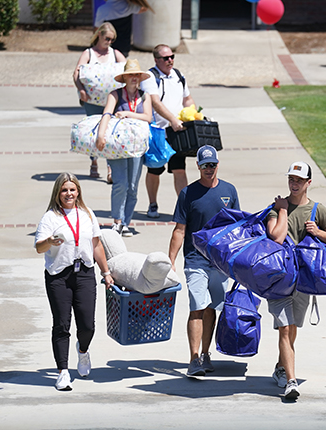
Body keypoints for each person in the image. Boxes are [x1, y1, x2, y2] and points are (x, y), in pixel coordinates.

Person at [265, 161, 326, 400]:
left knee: (292, 327)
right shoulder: (275, 208)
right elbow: (276, 237)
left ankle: (281, 366)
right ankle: (291, 381)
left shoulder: (318, 210)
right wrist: (282, 210)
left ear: (309, 182)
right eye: (291, 179)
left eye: (299, 180)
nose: (294, 183)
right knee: (285, 329)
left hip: (303, 281)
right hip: (278, 279)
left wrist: (318, 232)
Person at [35, 172, 114, 391]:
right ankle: (62, 372)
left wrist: (106, 272)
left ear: (78, 191)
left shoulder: (87, 214)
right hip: (58, 275)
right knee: (62, 324)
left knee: (87, 325)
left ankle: (83, 351)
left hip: (85, 273)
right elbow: (39, 247)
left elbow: (96, 245)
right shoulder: (51, 217)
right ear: (58, 193)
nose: (68, 193)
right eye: (64, 190)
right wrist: (49, 241)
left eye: (72, 189)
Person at [168, 145, 240, 376]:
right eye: (205, 165)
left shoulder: (230, 190)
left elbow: (237, 227)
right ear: (197, 166)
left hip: (220, 262)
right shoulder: (188, 194)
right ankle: (194, 358)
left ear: (218, 164)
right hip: (195, 260)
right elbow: (180, 230)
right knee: (197, 307)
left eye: (213, 164)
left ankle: (206, 354)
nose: (209, 169)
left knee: (212, 309)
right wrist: (171, 261)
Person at [96, 59, 153, 238]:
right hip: (118, 146)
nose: (134, 78)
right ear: (125, 78)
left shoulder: (145, 96)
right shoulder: (115, 94)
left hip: (136, 146)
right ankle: (117, 222)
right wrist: (101, 135)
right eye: (130, 75)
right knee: (120, 183)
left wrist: (128, 114)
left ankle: (126, 223)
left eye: (136, 75)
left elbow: (148, 117)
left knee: (133, 186)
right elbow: (106, 113)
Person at [141, 44, 196, 219]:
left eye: (172, 56)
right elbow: (155, 102)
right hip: (159, 131)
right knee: (154, 169)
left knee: (180, 169)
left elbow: (187, 98)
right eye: (166, 58)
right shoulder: (150, 76)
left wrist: (193, 114)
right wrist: (172, 119)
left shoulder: (178, 75)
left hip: (178, 131)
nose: (170, 60)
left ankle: (184, 208)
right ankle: (152, 204)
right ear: (156, 60)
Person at [73, 22, 127, 182]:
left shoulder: (115, 54)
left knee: (109, 132)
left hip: (112, 101)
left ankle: (110, 168)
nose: (109, 42)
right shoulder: (88, 53)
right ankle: (94, 161)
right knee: (93, 131)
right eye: (107, 38)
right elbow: (76, 73)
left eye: (112, 39)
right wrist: (81, 90)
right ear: (99, 36)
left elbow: (128, 69)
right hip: (92, 101)